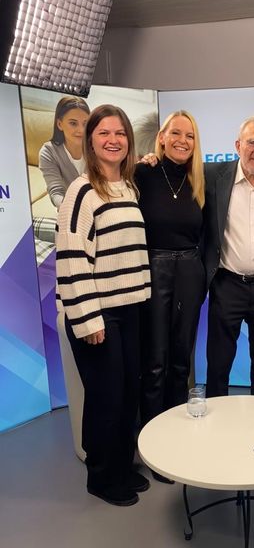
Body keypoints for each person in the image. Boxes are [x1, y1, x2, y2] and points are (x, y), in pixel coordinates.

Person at [56, 104, 151, 506]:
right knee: (105, 398)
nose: (114, 140)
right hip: (98, 314)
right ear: (90, 141)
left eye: (120, 133)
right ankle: (101, 477)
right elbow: (71, 258)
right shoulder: (81, 192)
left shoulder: (127, 187)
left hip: (130, 310)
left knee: (128, 394)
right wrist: (88, 318)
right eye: (104, 133)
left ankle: (121, 466)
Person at [204, 115, 254, 398]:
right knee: (218, 363)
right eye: (252, 142)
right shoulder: (212, 177)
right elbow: (178, 170)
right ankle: (216, 417)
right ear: (238, 145)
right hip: (227, 285)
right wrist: (152, 159)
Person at [135, 111, 205, 433]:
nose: (182, 141)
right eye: (175, 133)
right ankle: (152, 433)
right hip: (154, 269)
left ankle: (176, 434)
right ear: (161, 137)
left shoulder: (199, 180)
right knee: (154, 361)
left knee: (181, 360)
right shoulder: (142, 173)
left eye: (190, 136)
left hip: (190, 271)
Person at [39, 96, 90, 210]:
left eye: (85, 123)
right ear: (59, 124)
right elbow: (56, 192)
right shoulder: (48, 152)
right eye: (73, 123)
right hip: (68, 208)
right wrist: (69, 209)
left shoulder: (96, 148)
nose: (81, 130)